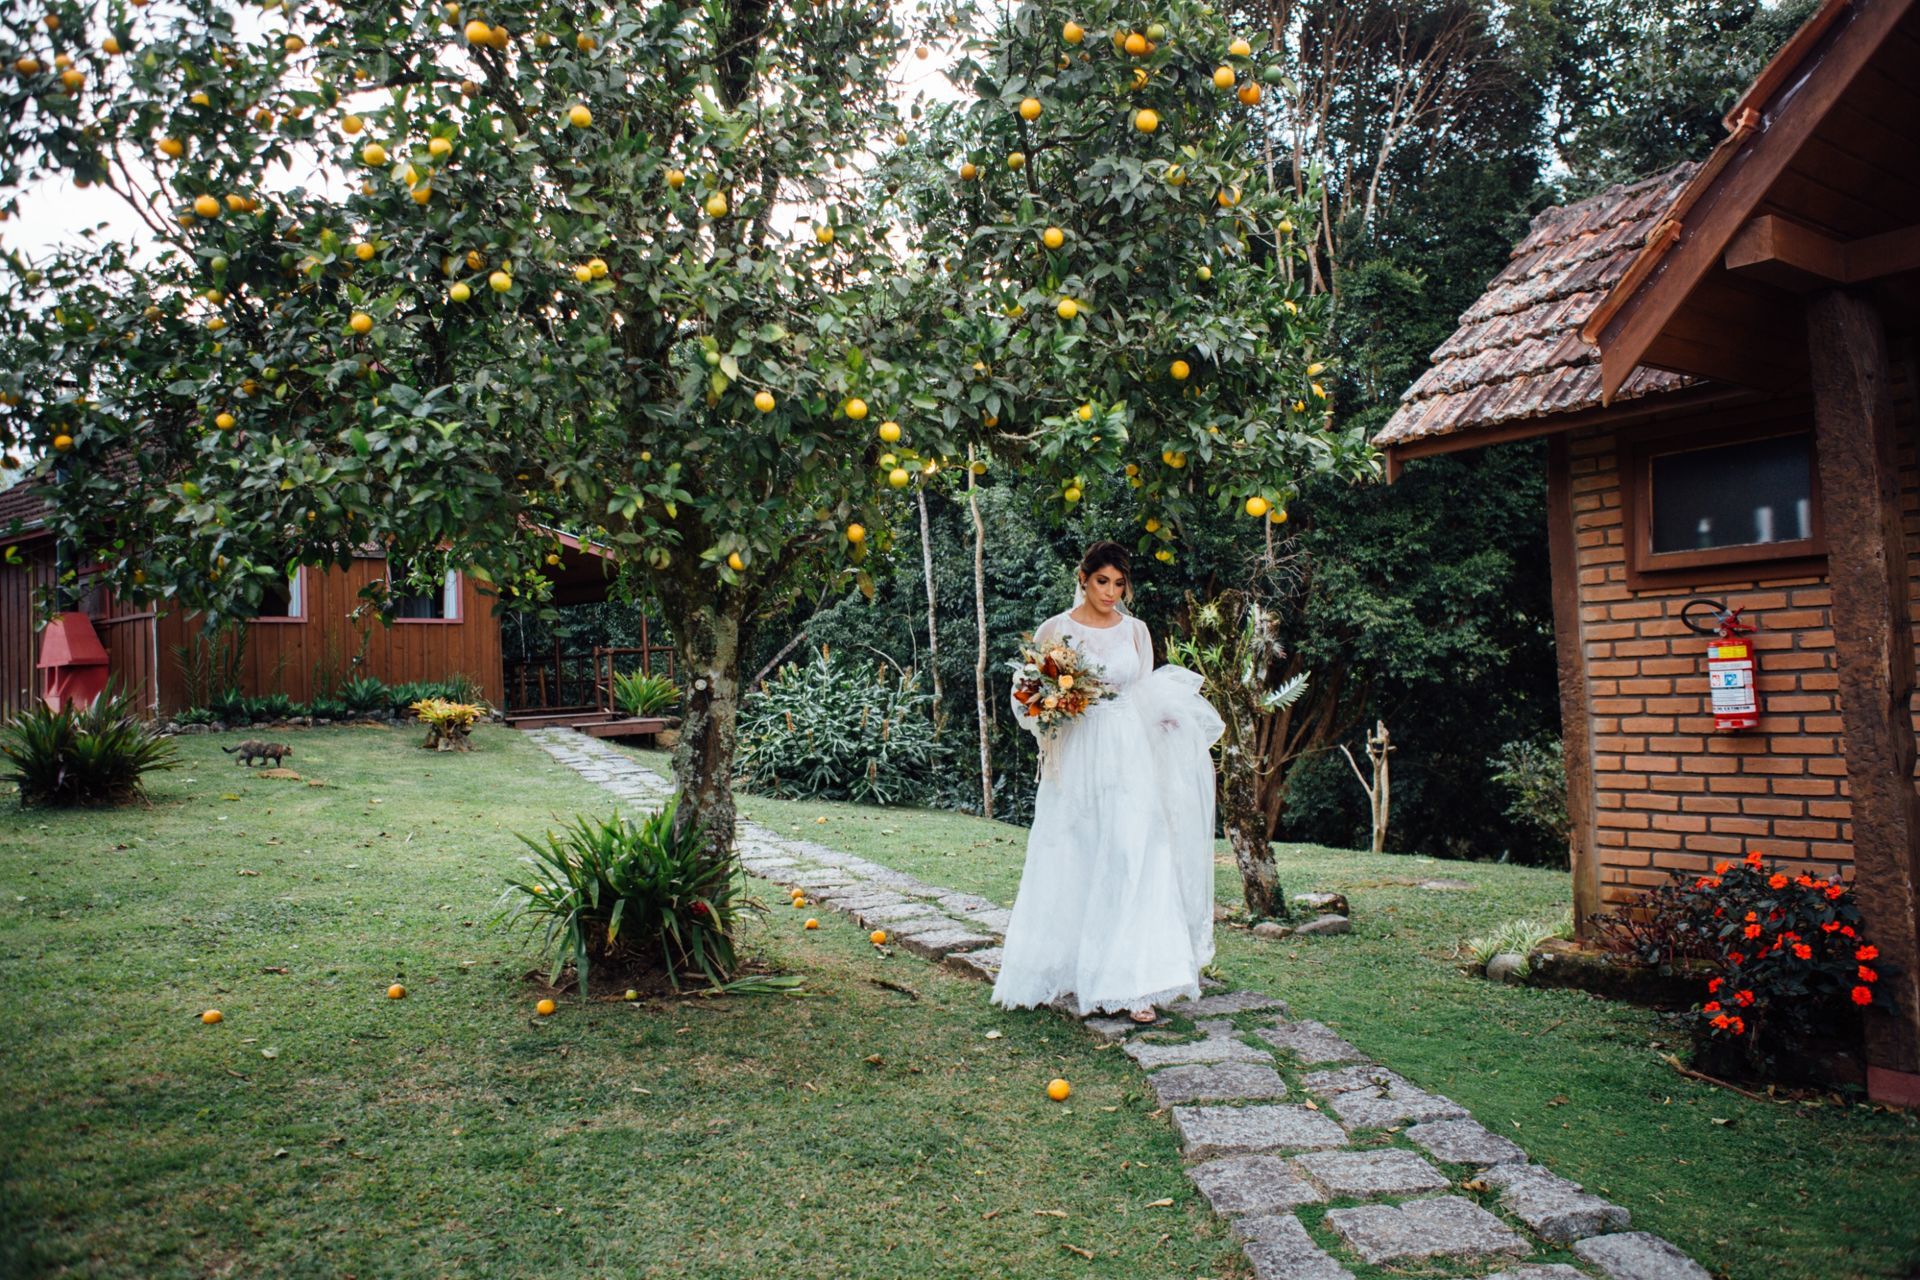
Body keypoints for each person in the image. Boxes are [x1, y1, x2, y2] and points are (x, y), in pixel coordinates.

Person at [990, 540, 1225, 1024]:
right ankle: (1068, 969)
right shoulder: (1056, 628)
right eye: (1103, 581)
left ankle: (1134, 982)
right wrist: (1050, 706)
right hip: (1077, 750)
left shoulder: (1136, 631)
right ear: (1084, 577)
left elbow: (1143, 691)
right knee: (1072, 849)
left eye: (1120, 583)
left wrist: (1169, 724)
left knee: (1132, 852)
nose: (1111, 592)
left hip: (1127, 750)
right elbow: (1026, 691)